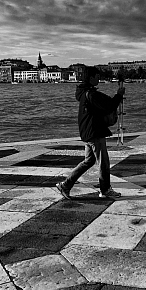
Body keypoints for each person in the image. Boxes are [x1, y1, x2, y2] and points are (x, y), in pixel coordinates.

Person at [56, 67, 125, 200]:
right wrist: (119, 95)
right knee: (103, 162)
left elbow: (105, 104)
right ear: (91, 78)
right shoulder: (92, 95)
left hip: (87, 131)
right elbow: (109, 105)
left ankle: (65, 185)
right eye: (97, 76)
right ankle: (105, 190)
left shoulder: (83, 93)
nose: (99, 79)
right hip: (95, 132)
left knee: (89, 161)